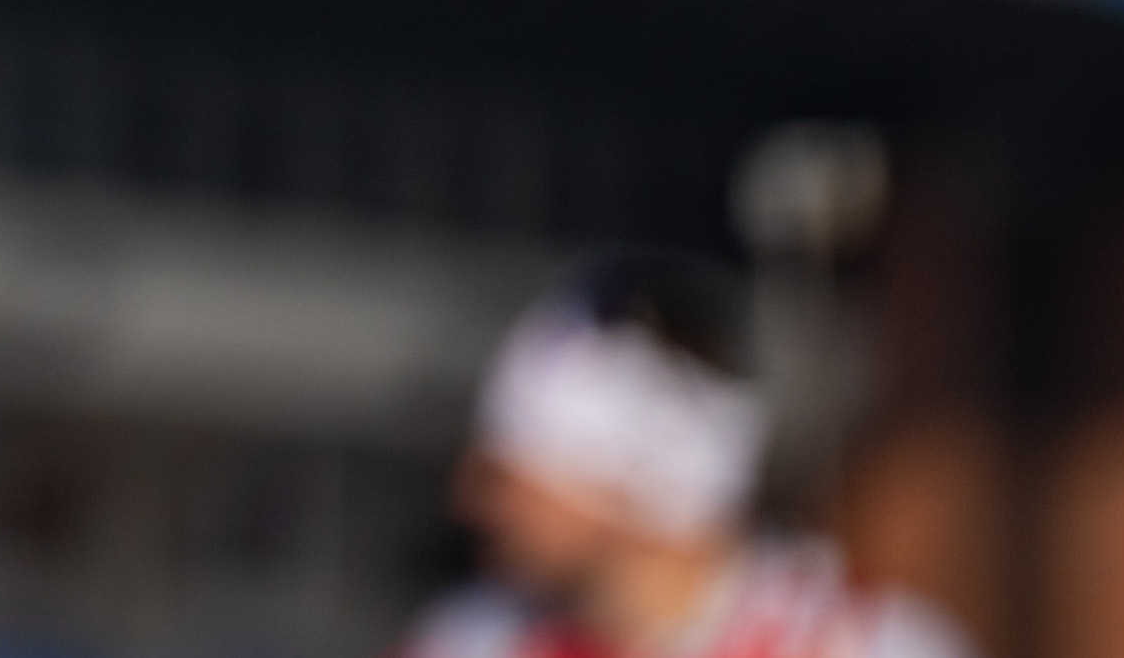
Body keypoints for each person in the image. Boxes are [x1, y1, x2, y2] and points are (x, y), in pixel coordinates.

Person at [402, 253, 974, 658]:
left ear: (625, 487)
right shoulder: (472, 640)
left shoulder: (864, 645)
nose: (468, 500)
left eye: (512, 479)